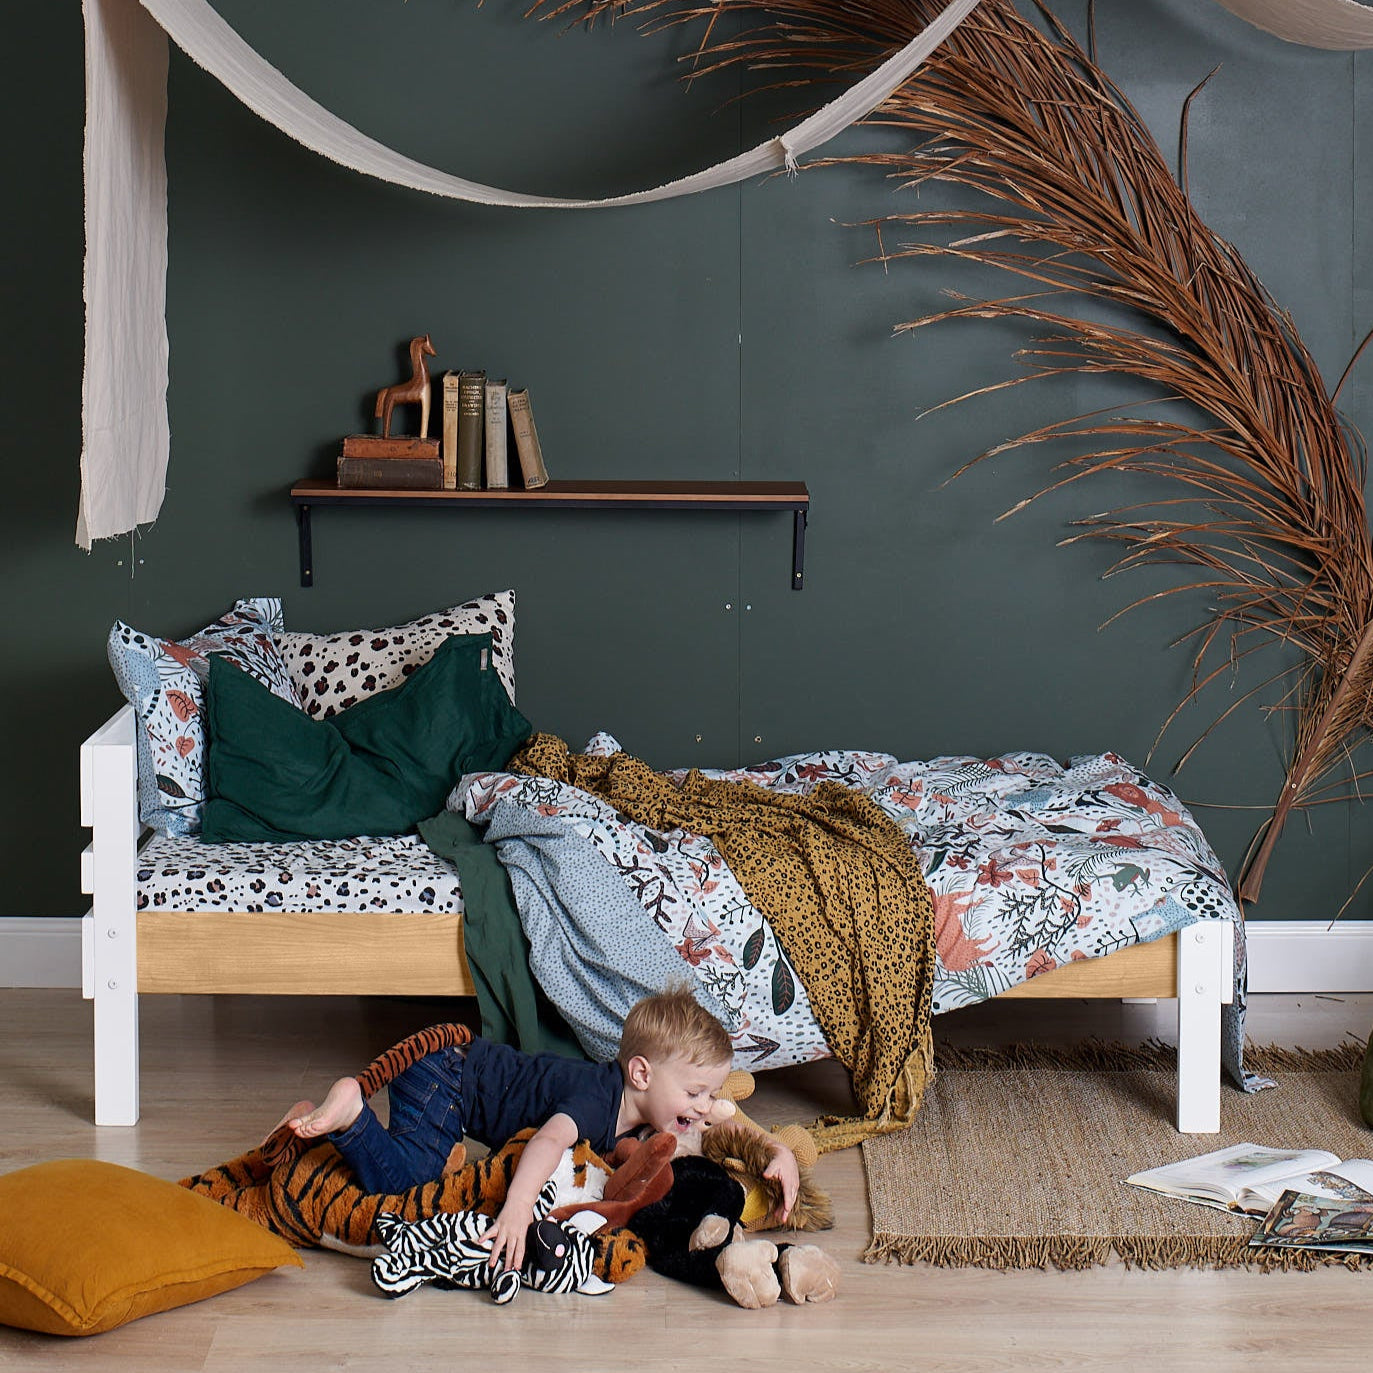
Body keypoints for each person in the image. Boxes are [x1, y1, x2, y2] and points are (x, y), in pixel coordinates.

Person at [277, 984, 801, 1273]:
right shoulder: (598, 1102)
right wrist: (516, 1211)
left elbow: (720, 1129)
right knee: (407, 1189)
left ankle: (320, 1125)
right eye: (695, 1093)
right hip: (447, 1076)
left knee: (411, 1169)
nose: (705, 1106)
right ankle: (349, 1118)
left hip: (453, 1068)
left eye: (710, 1093)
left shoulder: (648, 1105)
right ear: (641, 1073)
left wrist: (778, 1150)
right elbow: (548, 1142)